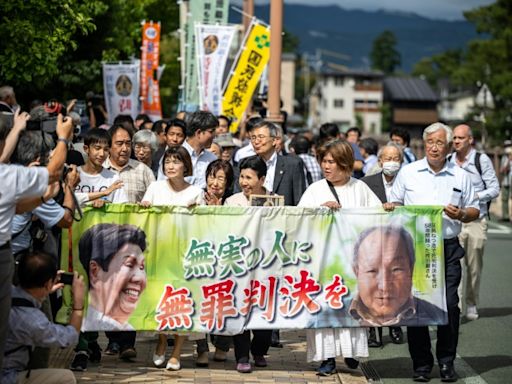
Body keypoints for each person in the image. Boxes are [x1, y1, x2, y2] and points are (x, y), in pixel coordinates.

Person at [387, 122, 480, 382]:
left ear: (449, 146)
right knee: (417, 308)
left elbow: (475, 210)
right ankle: (422, 364)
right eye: (430, 142)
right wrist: (390, 207)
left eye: (440, 143)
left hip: (447, 248)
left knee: (450, 305)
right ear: (423, 144)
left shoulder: (460, 175)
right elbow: (395, 203)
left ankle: (447, 362)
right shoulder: (409, 172)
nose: (434, 147)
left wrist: (461, 213)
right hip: (415, 248)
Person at [298, 139, 381, 376]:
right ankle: (327, 358)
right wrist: (320, 211)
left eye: (332, 162)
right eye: (324, 161)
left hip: (354, 264)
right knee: (325, 307)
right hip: (323, 263)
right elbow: (300, 221)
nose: (326, 166)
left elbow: (376, 220)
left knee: (352, 308)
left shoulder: (360, 188)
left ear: (344, 163)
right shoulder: (315, 190)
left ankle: (352, 351)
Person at [0, 110, 73, 370]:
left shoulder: (8, 172)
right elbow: (53, 177)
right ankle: (33, 373)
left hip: (15, 262)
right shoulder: (13, 178)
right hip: (13, 265)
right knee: (37, 322)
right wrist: (63, 139)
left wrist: (16, 129)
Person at [140, 146, 204, 370]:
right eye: (167, 161)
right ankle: (160, 341)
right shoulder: (155, 187)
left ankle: (176, 352)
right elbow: (144, 215)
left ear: (186, 166)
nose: (170, 166)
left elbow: (201, 226)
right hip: (157, 252)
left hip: (185, 255)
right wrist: (145, 208)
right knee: (160, 300)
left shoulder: (196, 191)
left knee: (183, 301)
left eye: (176, 162)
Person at [102, 123, 154, 361]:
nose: (124, 148)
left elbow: (156, 201)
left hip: (134, 243)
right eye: (119, 143)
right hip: (104, 242)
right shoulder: (100, 170)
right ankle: (112, 339)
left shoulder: (142, 170)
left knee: (131, 290)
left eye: (127, 144)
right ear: (108, 146)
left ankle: (127, 344)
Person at [2, 251, 85, 384]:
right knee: (66, 377)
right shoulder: (33, 321)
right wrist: (78, 305)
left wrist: (45, 290)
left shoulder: (5, 292)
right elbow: (68, 339)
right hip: (7, 377)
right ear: (47, 283)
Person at [224, 156, 273, 373]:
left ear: (261, 179)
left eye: (249, 177)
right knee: (240, 310)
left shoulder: (275, 200)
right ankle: (241, 355)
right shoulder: (232, 201)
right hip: (240, 265)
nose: (244, 182)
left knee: (265, 311)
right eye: (242, 177)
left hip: (266, 265)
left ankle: (259, 351)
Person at [349, 225, 447, 326]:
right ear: (357, 272)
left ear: (411, 269)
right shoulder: (335, 313)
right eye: (372, 271)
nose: (384, 287)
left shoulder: (434, 315)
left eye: (396, 269)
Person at [450, 124, 499, 321]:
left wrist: (474, 196)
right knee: (455, 264)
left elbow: (494, 188)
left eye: (460, 138)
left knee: (474, 264)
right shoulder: (448, 161)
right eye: (454, 138)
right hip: (454, 220)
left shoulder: (481, 159)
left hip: (477, 219)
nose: (456, 141)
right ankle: (456, 306)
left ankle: (471, 302)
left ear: (470, 139)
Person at [361, 142, 405, 347]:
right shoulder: (366, 183)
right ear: (380, 161)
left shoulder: (408, 182)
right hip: (372, 242)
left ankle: (395, 326)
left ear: (402, 161)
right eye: (388, 158)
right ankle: (373, 331)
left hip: (399, 242)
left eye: (396, 159)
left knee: (394, 284)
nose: (392, 162)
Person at [78, 224, 147, 331]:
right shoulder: (82, 324)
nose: (139, 278)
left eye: (142, 267)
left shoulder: (128, 328)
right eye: (129, 265)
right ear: (95, 270)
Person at [247, 120, 306, 206]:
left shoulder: (292, 165)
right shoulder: (246, 164)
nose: (256, 142)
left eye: (261, 137)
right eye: (253, 138)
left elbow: (299, 201)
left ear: (274, 140)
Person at [74, 128, 127, 207]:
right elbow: (66, 201)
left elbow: (121, 207)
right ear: (86, 149)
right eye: (97, 148)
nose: (102, 154)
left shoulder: (113, 178)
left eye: (106, 149)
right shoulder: (73, 174)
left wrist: (107, 204)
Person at [181, 111, 218, 189]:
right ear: (198, 133)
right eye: (211, 131)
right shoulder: (174, 155)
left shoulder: (212, 159)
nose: (214, 136)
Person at [498, 140, 512, 221]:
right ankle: (505, 216)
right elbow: (502, 170)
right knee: (504, 199)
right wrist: (508, 161)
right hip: (506, 181)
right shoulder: (504, 157)